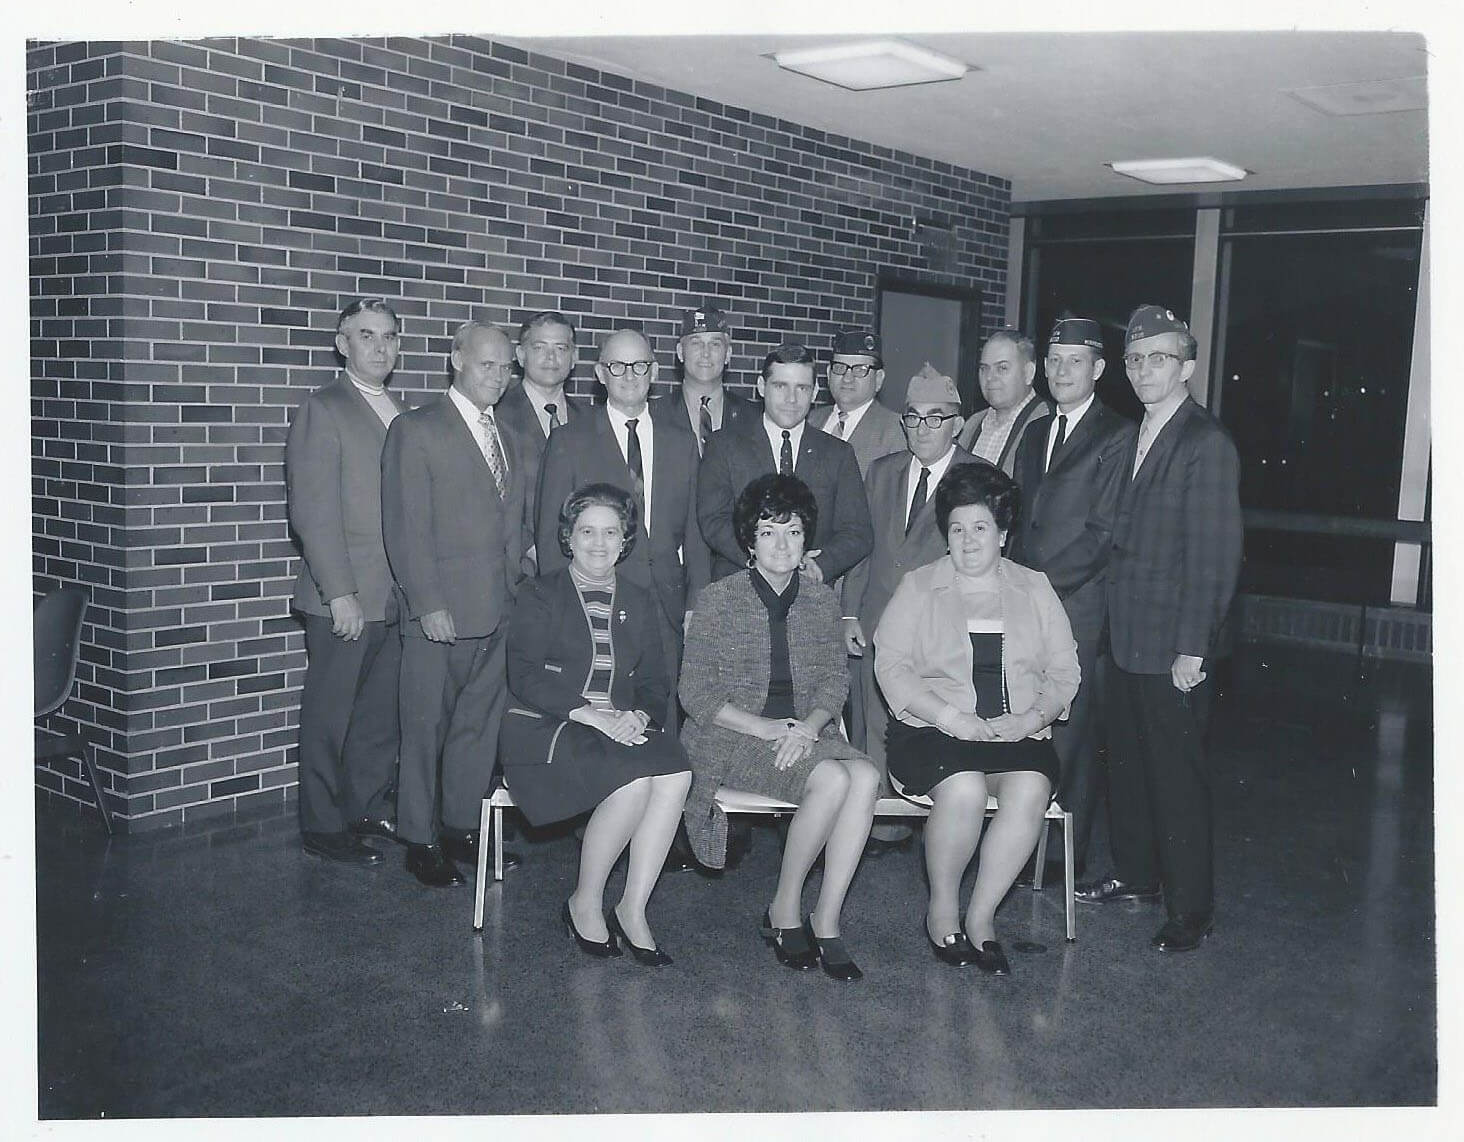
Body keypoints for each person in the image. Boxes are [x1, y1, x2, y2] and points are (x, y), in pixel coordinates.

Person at [1076, 305, 1242, 955]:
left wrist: (1193, 648)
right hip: (1128, 636)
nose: (1145, 370)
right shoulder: (1141, 431)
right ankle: (1138, 876)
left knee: (1176, 778)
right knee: (1133, 769)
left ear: (1189, 368)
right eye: (1136, 359)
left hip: (1173, 645)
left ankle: (1191, 912)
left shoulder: (1204, 442)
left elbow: (1214, 556)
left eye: (1160, 358)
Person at [875, 464, 1079, 974]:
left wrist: (1032, 717)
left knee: (1031, 788)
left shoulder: (1035, 587)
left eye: (981, 528)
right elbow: (891, 665)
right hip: (932, 731)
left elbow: (1065, 669)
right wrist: (950, 716)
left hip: (1016, 731)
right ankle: (943, 905)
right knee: (964, 788)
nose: (967, 541)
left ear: (1004, 534)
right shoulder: (919, 586)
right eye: (958, 529)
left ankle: (983, 917)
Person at [679, 474, 880, 981]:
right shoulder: (718, 599)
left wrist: (807, 728)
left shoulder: (820, 601)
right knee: (835, 779)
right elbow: (696, 694)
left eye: (792, 532)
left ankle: (827, 918)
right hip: (733, 736)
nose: (782, 544)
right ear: (749, 540)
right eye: (769, 532)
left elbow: (835, 679)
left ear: (806, 538)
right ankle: (785, 909)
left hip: (805, 735)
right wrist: (769, 729)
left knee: (868, 778)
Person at [502, 484, 693, 964]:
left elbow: (655, 680)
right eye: (587, 531)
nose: (599, 543)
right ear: (568, 536)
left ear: (625, 540)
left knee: (675, 773)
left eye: (611, 532)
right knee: (630, 785)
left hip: (619, 725)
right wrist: (593, 715)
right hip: (550, 726)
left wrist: (638, 715)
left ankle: (633, 907)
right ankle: (584, 900)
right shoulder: (540, 593)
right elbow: (524, 677)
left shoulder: (638, 597)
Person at [381, 321, 532, 886]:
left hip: (498, 608)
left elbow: (510, 521)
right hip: (439, 614)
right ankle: (418, 837)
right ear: (457, 361)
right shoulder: (415, 429)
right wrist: (426, 603)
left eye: (506, 367)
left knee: (478, 726)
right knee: (424, 728)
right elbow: (405, 526)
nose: (498, 376)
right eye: (487, 364)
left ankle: (461, 827)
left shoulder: (509, 433)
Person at [841, 364, 993, 856]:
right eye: (912, 418)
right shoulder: (882, 471)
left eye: (935, 418)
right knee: (873, 721)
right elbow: (864, 548)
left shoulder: (978, 477)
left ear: (957, 422)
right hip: (875, 620)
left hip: (939, 629)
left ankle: (935, 822)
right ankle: (880, 825)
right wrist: (849, 614)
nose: (922, 428)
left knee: (931, 722)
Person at [1009, 316, 1137, 880]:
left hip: (1078, 606)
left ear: (1099, 370)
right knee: (1029, 719)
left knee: (1074, 730)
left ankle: (1064, 859)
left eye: (1075, 361)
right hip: (1030, 601)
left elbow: (1103, 534)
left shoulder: (1117, 435)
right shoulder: (1036, 431)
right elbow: (1020, 518)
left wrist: (1036, 588)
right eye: (1055, 361)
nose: (1062, 371)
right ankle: (1018, 849)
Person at [285, 298, 409, 865]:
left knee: (379, 715)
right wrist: (339, 591)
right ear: (343, 343)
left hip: (393, 596)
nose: (379, 347)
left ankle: (365, 805)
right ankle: (322, 824)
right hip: (346, 596)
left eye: (388, 337)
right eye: (366, 336)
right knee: (331, 713)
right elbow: (312, 511)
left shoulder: (401, 411)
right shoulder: (325, 407)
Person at [535, 328, 710, 709]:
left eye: (640, 366)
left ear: (655, 371)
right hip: (596, 600)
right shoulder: (569, 441)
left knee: (662, 714)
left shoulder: (681, 441)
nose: (630, 375)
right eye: (618, 366)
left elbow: (697, 532)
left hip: (667, 604)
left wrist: (695, 602)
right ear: (600, 374)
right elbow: (551, 535)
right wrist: (561, 609)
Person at [697, 342, 873, 584]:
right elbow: (713, 519)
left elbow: (858, 532)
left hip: (809, 595)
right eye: (781, 386)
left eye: (801, 388)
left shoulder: (838, 454)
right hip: (738, 588)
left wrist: (819, 565)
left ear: (814, 392)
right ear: (761, 387)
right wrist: (759, 560)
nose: (791, 399)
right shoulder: (724, 445)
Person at [496, 310, 586, 526]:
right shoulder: (498, 416)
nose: (551, 357)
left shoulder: (590, 420)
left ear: (574, 357)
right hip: (522, 555)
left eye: (561, 348)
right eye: (539, 347)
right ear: (520, 355)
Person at [650, 303, 756, 456]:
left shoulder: (753, 418)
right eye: (696, 343)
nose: (706, 353)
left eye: (715, 344)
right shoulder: (653, 414)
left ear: (728, 354)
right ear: (680, 353)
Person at [955, 328, 1051, 475]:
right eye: (984, 368)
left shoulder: (1047, 423)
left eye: (1002, 368)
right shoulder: (972, 425)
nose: (990, 377)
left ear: (1029, 372)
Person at [810, 329, 906, 469]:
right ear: (828, 374)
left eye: (860, 369)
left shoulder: (896, 430)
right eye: (840, 367)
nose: (847, 378)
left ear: (878, 379)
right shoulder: (811, 420)